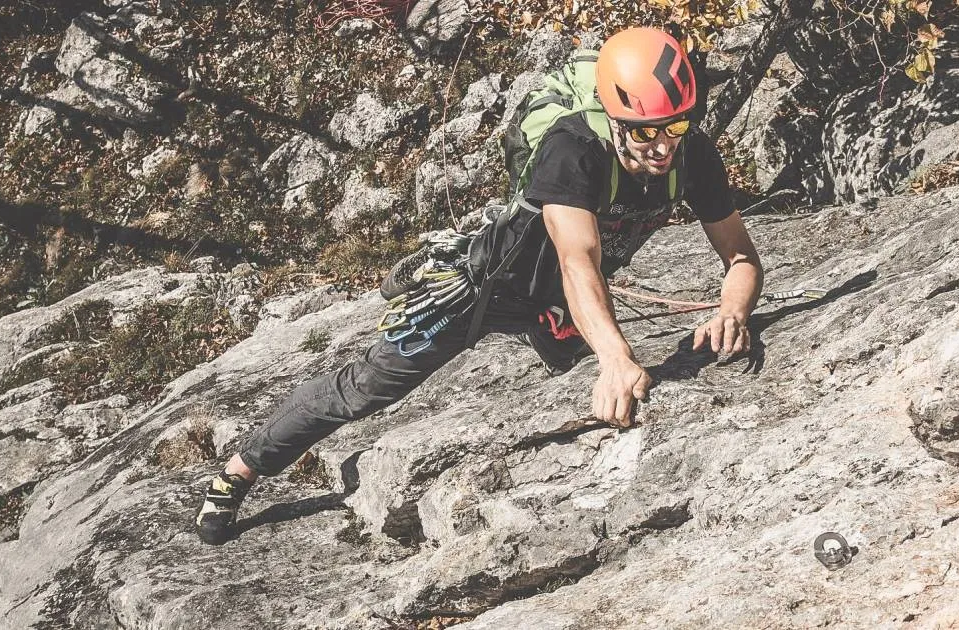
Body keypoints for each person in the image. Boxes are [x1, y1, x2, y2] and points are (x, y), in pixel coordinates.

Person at [195, 27, 764, 545]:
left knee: (566, 360)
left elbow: (741, 256)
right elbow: (578, 260)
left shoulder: (693, 155)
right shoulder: (574, 149)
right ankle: (240, 469)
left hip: (560, 307)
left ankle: (520, 310)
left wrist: (732, 309)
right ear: (615, 118)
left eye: (676, 128)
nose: (664, 148)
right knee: (366, 387)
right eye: (646, 134)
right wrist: (615, 357)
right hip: (487, 288)